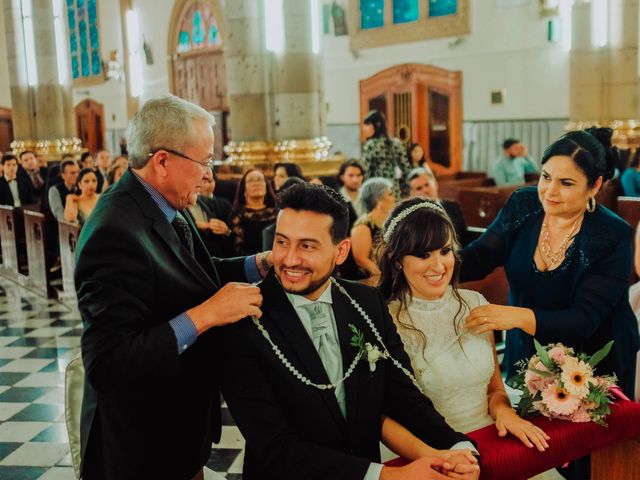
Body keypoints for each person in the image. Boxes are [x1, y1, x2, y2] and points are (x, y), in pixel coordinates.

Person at [219, 182, 480, 480]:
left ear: (341, 251)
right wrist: (387, 477)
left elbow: (404, 395)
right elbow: (276, 448)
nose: (289, 259)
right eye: (281, 242)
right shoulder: (244, 321)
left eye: (307, 246)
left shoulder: (366, 303)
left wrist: (457, 447)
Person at [75, 94, 270, 480]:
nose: (208, 175)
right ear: (162, 161)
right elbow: (109, 364)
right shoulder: (115, 231)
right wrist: (206, 315)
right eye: (203, 162)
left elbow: (190, 273)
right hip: (141, 448)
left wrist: (257, 264)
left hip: (175, 435)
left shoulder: (160, 206)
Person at [460, 127, 640, 399]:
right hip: (528, 349)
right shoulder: (524, 205)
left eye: (566, 183)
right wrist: (429, 262)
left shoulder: (611, 235)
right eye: (546, 177)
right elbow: (479, 257)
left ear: (594, 185)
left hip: (593, 362)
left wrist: (514, 316)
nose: (549, 191)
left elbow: (583, 319)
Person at [378, 197, 550, 450]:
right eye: (424, 254)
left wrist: (505, 413)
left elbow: (494, 390)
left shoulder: (475, 303)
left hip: (489, 434)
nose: (439, 266)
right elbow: (388, 414)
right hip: (427, 449)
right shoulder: (386, 319)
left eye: (445, 251)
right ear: (396, 260)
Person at [406, 167, 471, 246]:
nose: (425, 190)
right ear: (412, 194)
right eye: (419, 188)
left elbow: (465, 237)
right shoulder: (413, 217)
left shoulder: (453, 206)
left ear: (436, 184)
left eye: (427, 185)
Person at [351, 177, 395, 282]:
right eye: (390, 194)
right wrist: (383, 277)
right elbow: (361, 260)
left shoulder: (391, 221)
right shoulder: (363, 225)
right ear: (378, 200)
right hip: (372, 281)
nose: (394, 198)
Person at [361, 110, 411, 198]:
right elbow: (406, 169)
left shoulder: (370, 145)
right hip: (394, 190)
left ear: (377, 125)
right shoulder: (396, 143)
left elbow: (365, 172)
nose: (364, 128)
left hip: (376, 191)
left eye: (367, 124)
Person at [230, 168, 278, 255]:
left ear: (266, 187)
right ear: (244, 189)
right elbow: (238, 250)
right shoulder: (237, 215)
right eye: (251, 181)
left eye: (259, 180)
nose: (256, 183)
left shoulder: (278, 212)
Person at [188, 170, 234, 257]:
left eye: (210, 181)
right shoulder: (186, 202)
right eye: (203, 181)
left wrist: (227, 231)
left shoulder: (224, 204)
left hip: (220, 253)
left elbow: (233, 233)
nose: (207, 185)